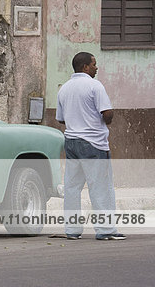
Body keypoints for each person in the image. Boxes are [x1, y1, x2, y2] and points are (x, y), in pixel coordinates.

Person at [55, 52, 126, 240]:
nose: (97, 68)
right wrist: (102, 120)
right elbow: (107, 113)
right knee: (100, 187)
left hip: (71, 142)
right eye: (94, 65)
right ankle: (106, 231)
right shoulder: (95, 86)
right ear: (85, 67)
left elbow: (61, 119)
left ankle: (72, 231)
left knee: (72, 187)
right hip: (94, 144)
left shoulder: (64, 89)